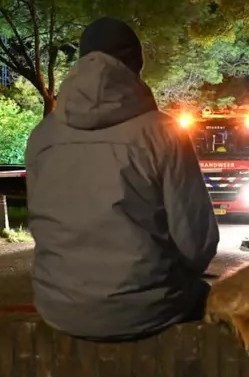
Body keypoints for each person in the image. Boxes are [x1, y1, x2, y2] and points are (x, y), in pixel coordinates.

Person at [25, 17, 220, 342]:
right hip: (148, 308)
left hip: (57, 306)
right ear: (136, 66)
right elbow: (198, 245)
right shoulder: (163, 133)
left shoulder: (42, 136)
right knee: (208, 297)